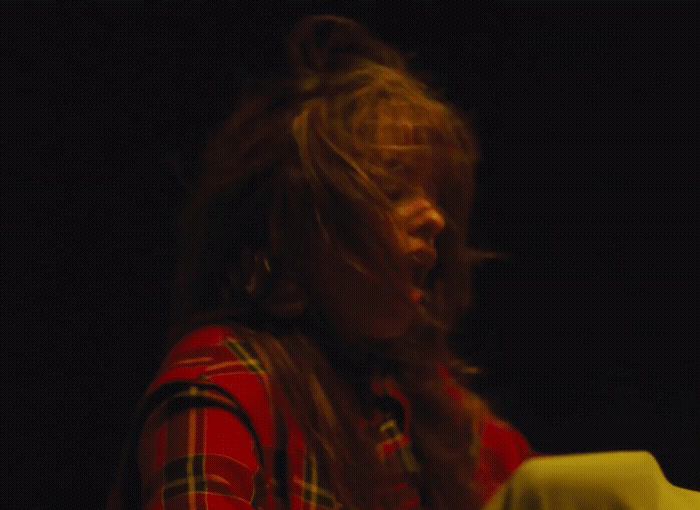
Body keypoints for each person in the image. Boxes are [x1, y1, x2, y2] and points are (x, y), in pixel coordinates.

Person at [107, 15, 538, 510]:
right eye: (394, 190)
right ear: (298, 226)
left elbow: (552, 492)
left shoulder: (422, 401)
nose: (436, 218)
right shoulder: (223, 384)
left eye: (436, 194)